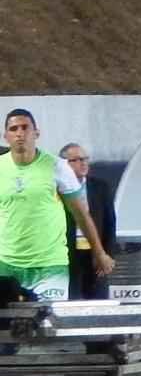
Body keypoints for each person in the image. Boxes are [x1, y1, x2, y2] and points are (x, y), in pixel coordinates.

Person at [0, 109, 114, 301]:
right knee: (8, 328)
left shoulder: (57, 167)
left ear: (36, 133)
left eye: (25, 127)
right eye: (13, 129)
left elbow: (81, 214)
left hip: (49, 266)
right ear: (6, 136)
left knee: (46, 326)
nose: (20, 133)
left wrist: (99, 252)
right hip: (6, 264)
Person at [59, 142, 117, 300]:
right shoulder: (55, 189)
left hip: (96, 255)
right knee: (71, 302)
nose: (83, 163)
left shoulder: (100, 187)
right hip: (68, 256)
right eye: (76, 160)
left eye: (85, 158)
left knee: (99, 303)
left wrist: (106, 255)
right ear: (64, 164)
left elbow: (110, 225)